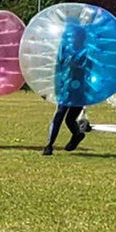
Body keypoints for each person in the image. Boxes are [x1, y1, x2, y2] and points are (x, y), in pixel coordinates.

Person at [42, 23, 89, 155]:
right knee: (60, 115)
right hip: (66, 89)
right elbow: (58, 67)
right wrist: (55, 86)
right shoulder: (65, 50)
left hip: (78, 90)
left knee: (70, 119)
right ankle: (49, 145)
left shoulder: (85, 52)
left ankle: (77, 135)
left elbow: (86, 68)